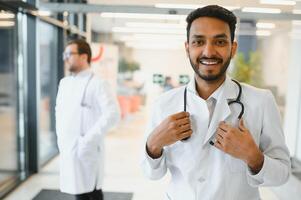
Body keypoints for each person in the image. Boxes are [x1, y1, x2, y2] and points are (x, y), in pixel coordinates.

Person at [141, 5, 290, 200]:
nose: (208, 51)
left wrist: (253, 157)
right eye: (198, 41)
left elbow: (283, 174)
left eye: (219, 41)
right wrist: (153, 145)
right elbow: (151, 173)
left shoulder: (260, 101)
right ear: (188, 48)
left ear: (233, 48)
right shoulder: (164, 104)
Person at [56, 39, 120, 200]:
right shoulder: (64, 83)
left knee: (89, 191)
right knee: (78, 190)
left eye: (70, 54)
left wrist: (87, 140)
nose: (65, 58)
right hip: (68, 147)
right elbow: (60, 113)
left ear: (84, 57)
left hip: (86, 148)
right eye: (65, 54)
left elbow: (112, 114)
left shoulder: (98, 84)